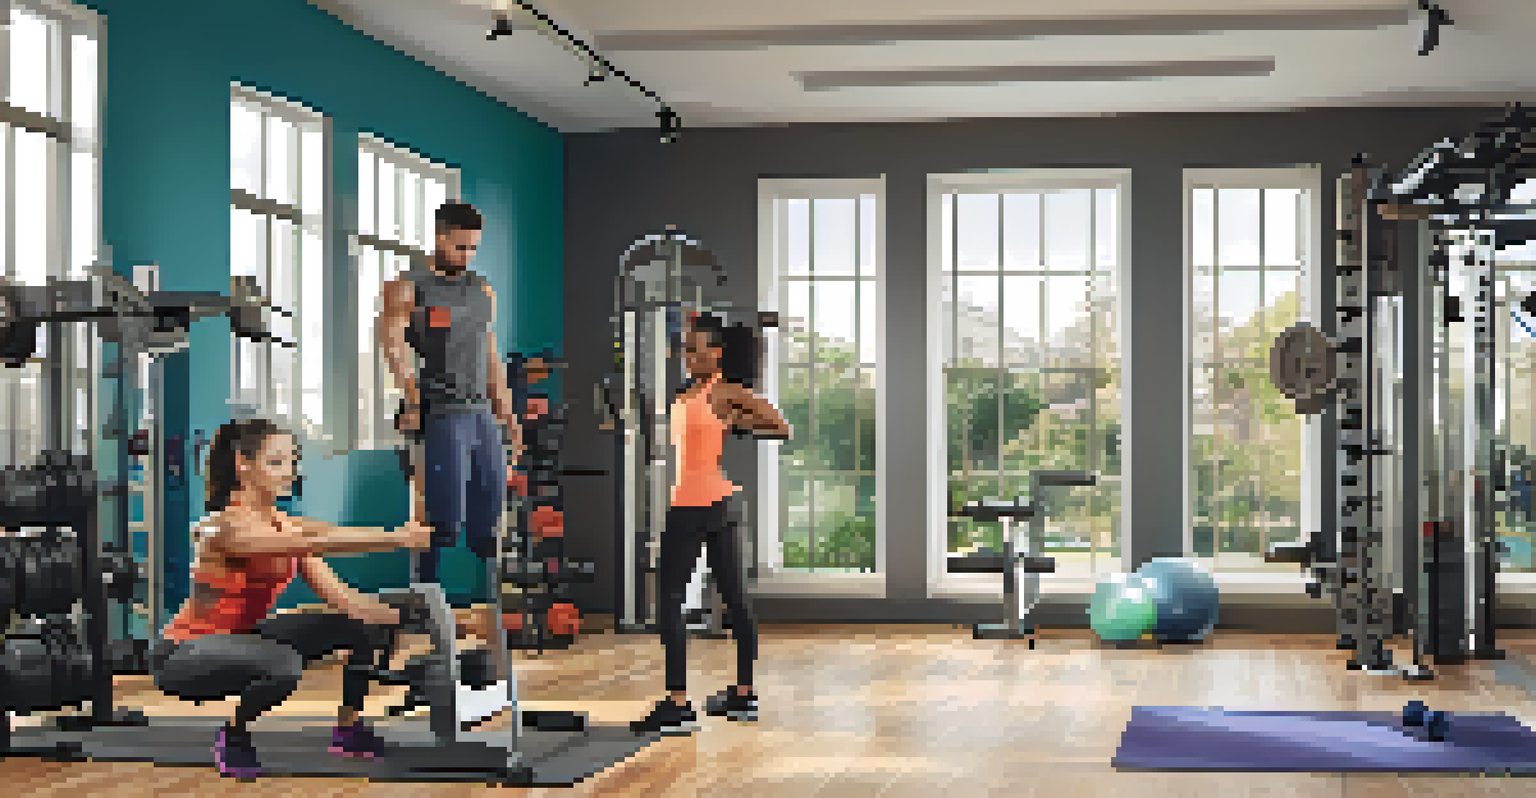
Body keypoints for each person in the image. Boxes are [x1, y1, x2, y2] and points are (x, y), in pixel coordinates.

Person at [151, 418, 432, 779]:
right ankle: (233, 736)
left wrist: (410, 620)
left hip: (244, 641)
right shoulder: (224, 528)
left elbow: (343, 595)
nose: (290, 472)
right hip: (183, 655)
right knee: (282, 663)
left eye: (293, 461)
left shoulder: (286, 526)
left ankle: (348, 729)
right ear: (243, 464)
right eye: (277, 462)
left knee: (363, 624)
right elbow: (316, 541)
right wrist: (395, 538)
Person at [631, 313, 792, 736]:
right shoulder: (689, 394)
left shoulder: (723, 391)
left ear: (716, 354)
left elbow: (779, 425)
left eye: (695, 350)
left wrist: (742, 423)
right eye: (685, 350)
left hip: (693, 506)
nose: (687, 357)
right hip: (718, 504)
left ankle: (678, 703)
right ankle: (742, 695)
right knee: (735, 599)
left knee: (670, 599)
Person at [377, 201, 522, 647]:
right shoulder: (407, 288)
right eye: (459, 247)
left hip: (481, 415)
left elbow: (490, 355)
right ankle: (424, 607)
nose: (466, 256)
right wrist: (412, 396)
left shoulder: (483, 291)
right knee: (441, 522)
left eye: (473, 248)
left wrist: (508, 413)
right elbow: (395, 347)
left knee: (487, 522)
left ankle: (491, 616)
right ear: (440, 238)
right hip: (440, 413)